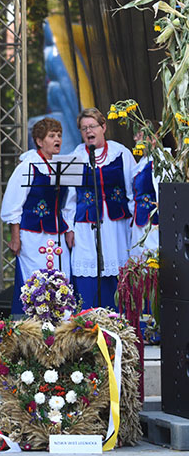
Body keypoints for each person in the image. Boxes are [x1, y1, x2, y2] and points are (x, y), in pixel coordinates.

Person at [1, 117, 74, 314]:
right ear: (40, 141)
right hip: (32, 235)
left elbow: (68, 203)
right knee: (34, 281)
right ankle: (33, 326)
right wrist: (15, 238)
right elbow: (13, 205)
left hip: (57, 233)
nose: (57, 139)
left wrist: (70, 229)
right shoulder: (28, 166)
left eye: (59, 135)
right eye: (51, 136)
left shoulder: (64, 166)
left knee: (60, 278)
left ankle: (61, 325)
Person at [67, 108, 134, 310]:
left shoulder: (121, 153)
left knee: (117, 267)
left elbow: (132, 191)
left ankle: (118, 322)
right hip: (86, 227)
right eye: (84, 128)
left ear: (103, 127)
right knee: (87, 269)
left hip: (117, 225)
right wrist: (69, 227)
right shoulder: (75, 157)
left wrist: (134, 227)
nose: (89, 131)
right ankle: (88, 323)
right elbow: (69, 198)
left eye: (92, 126)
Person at [130, 128, 160, 259]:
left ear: (153, 138)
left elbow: (161, 195)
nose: (135, 139)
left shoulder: (159, 162)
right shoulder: (142, 162)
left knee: (151, 260)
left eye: (140, 135)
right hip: (140, 223)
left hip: (152, 225)